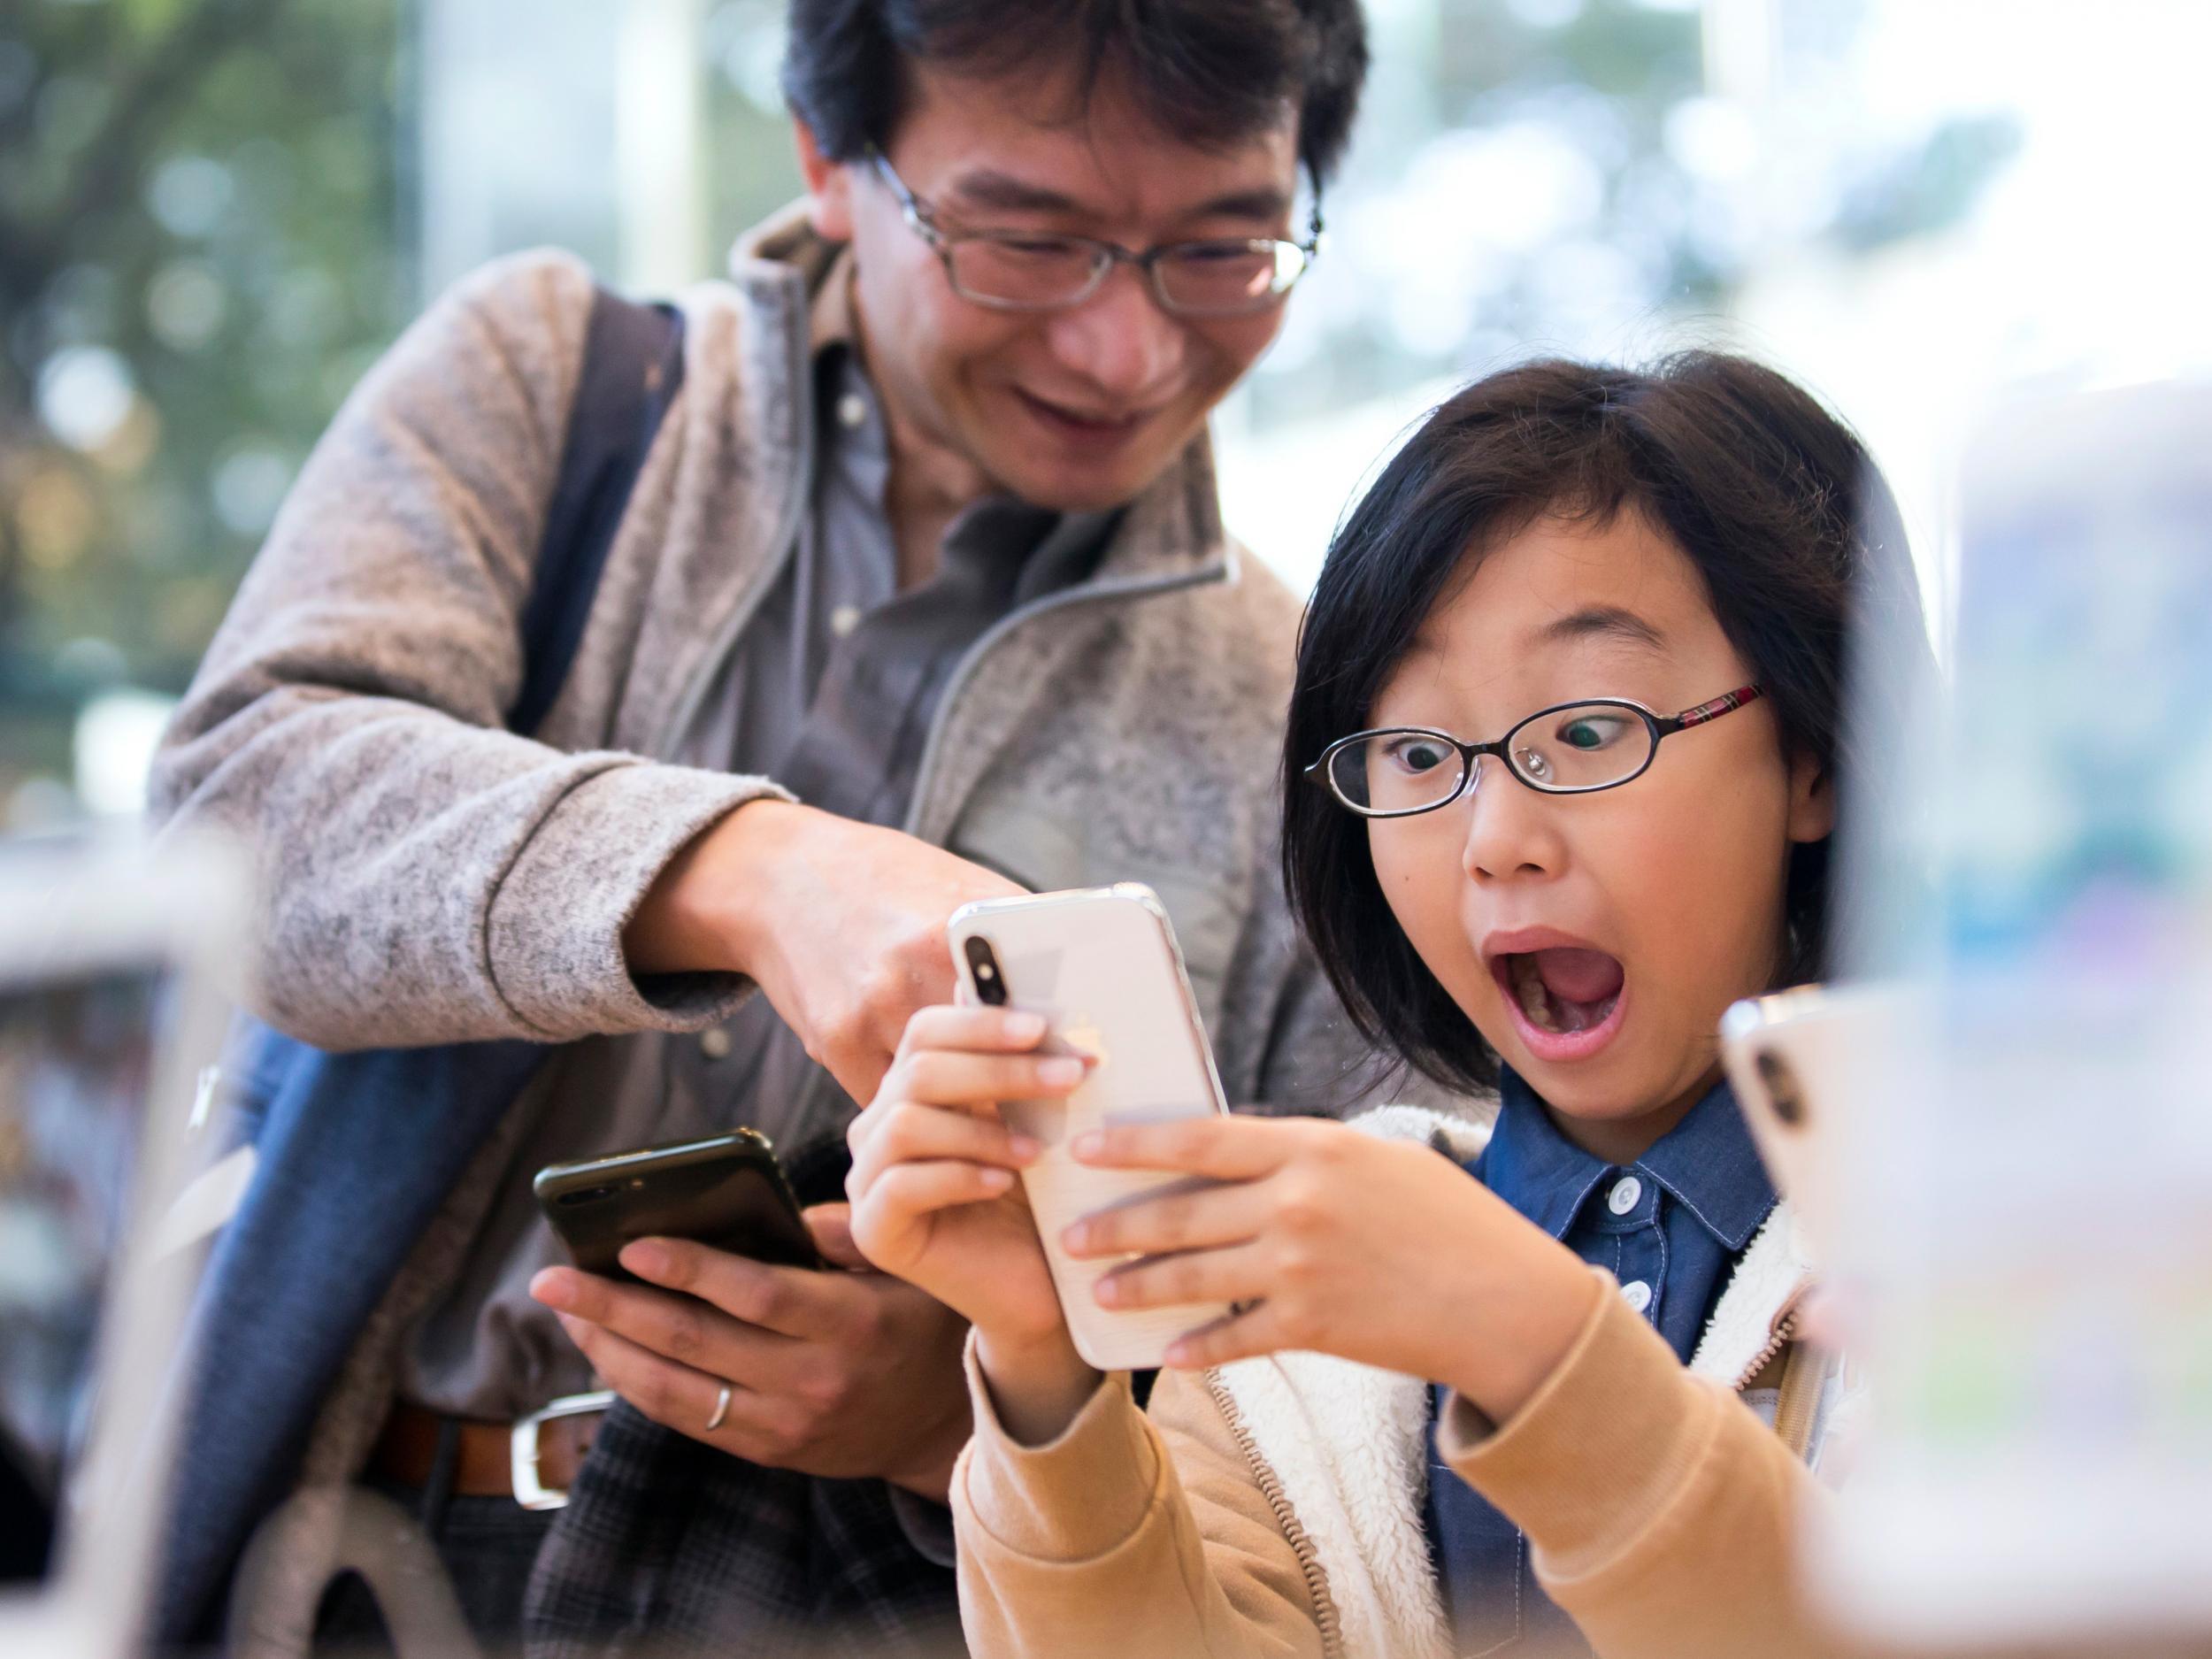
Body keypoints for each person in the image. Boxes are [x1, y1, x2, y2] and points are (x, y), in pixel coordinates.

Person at [146, 1, 1397, 1650]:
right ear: (827, 159)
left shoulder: (1300, 712)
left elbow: (1342, 1405)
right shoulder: (558, 386)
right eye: (1029, 242)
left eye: (1223, 251)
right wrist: (751, 876)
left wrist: (966, 1414)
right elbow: (236, 820)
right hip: (347, 1548)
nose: (1129, 350)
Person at [847, 352, 1933, 1659]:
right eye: (1419, 755)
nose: (1496, 839)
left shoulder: (2013, 1224)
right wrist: (1043, 1365)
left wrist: (1529, 1336)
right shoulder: (1300, 1315)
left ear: (1812, 756)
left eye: (1587, 732)